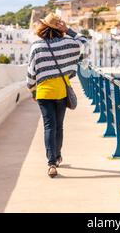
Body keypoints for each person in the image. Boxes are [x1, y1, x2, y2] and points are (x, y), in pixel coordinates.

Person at [27, 13, 87, 178]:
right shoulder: (67, 43)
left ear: (43, 27)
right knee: (59, 126)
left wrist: (32, 89)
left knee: (49, 126)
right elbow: (84, 42)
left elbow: (31, 72)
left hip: (44, 92)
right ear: (58, 28)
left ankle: (51, 163)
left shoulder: (36, 46)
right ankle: (58, 156)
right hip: (61, 91)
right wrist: (68, 30)